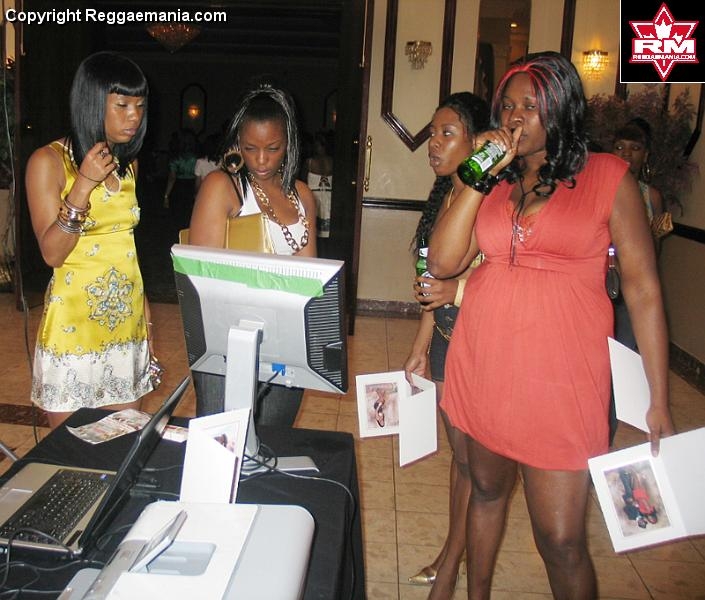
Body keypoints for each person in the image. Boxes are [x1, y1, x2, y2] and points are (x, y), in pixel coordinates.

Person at [426, 51, 674, 599]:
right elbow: (442, 262)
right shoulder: (493, 181)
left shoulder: (608, 176)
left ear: (561, 108)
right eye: (507, 106)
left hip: (563, 379)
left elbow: (643, 289)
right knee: (485, 493)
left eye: (531, 105)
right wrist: (477, 175)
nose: (514, 116)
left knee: (561, 540)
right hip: (486, 363)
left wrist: (658, 397)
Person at [25, 52, 156, 429]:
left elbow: (126, 249)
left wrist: (146, 319)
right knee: (71, 450)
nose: (134, 116)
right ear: (92, 102)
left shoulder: (128, 164)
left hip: (126, 326)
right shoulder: (48, 162)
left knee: (122, 442)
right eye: (122, 105)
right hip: (74, 328)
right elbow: (52, 253)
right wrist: (82, 185)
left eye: (140, 106)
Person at [188, 82, 316, 427]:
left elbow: (310, 278)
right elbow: (201, 279)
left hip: (285, 343)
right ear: (237, 143)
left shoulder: (302, 196)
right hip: (228, 345)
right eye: (250, 148)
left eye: (273, 148)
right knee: (222, 441)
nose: (261, 160)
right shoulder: (223, 186)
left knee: (273, 440)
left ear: (289, 143)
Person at [403, 92, 490, 597]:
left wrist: (453, 292)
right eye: (433, 134)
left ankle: (452, 562)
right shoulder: (448, 194)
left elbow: (500, 278)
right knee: (460, 461)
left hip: (476, 341)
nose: (433, 144)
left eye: (447, 133)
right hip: (443, 336)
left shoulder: (488, 197)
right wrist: (421, 340)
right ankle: (451, 553)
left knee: (473, 464)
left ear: (478, 143)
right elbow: (428, 281)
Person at [608, 117, 666, 443]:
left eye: (635, 148)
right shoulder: (602, 189)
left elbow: (654, 251)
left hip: (629, 293)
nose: (626, 154)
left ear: (646, 154)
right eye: (619, 147)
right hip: (600, 286)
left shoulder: (651, 196)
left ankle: (607, 432)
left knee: (620, 363)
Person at [163, 128, 197, 230]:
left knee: (178, 214)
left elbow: (172, 178)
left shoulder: (176, 159)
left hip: (179, 186)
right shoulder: (196, 158)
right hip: (191, 185)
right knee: (189, 213)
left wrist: (166, 195)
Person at [302, 130, 334, 240]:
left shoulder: (310, 162)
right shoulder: (331, 162)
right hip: (323, 197)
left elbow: (303, 181)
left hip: (319, 197)